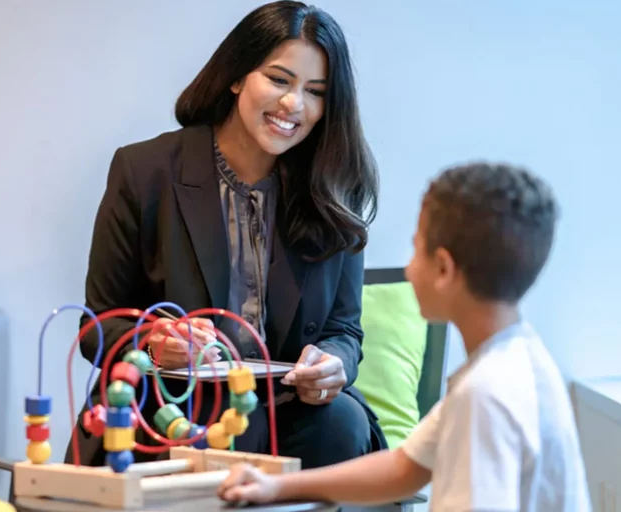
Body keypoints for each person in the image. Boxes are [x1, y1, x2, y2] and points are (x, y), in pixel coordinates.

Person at [68, 0, 386, 470]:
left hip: (290, 407)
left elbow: (344, 330)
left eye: (315, 91)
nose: (293, 104)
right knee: (228, 432)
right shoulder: (144, 171)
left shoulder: (333, 187)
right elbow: (99, 327)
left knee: (342, 424)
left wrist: (333, 362)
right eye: (279, 79)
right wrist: (156, 343)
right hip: (174, 401)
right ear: (237, 75)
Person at [217, 162, 593, 511]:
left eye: (416, 250)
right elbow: (404, 468)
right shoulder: (516, 361)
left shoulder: (487, 394)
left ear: (443, 268)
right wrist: (276, 486)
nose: (410, 270)